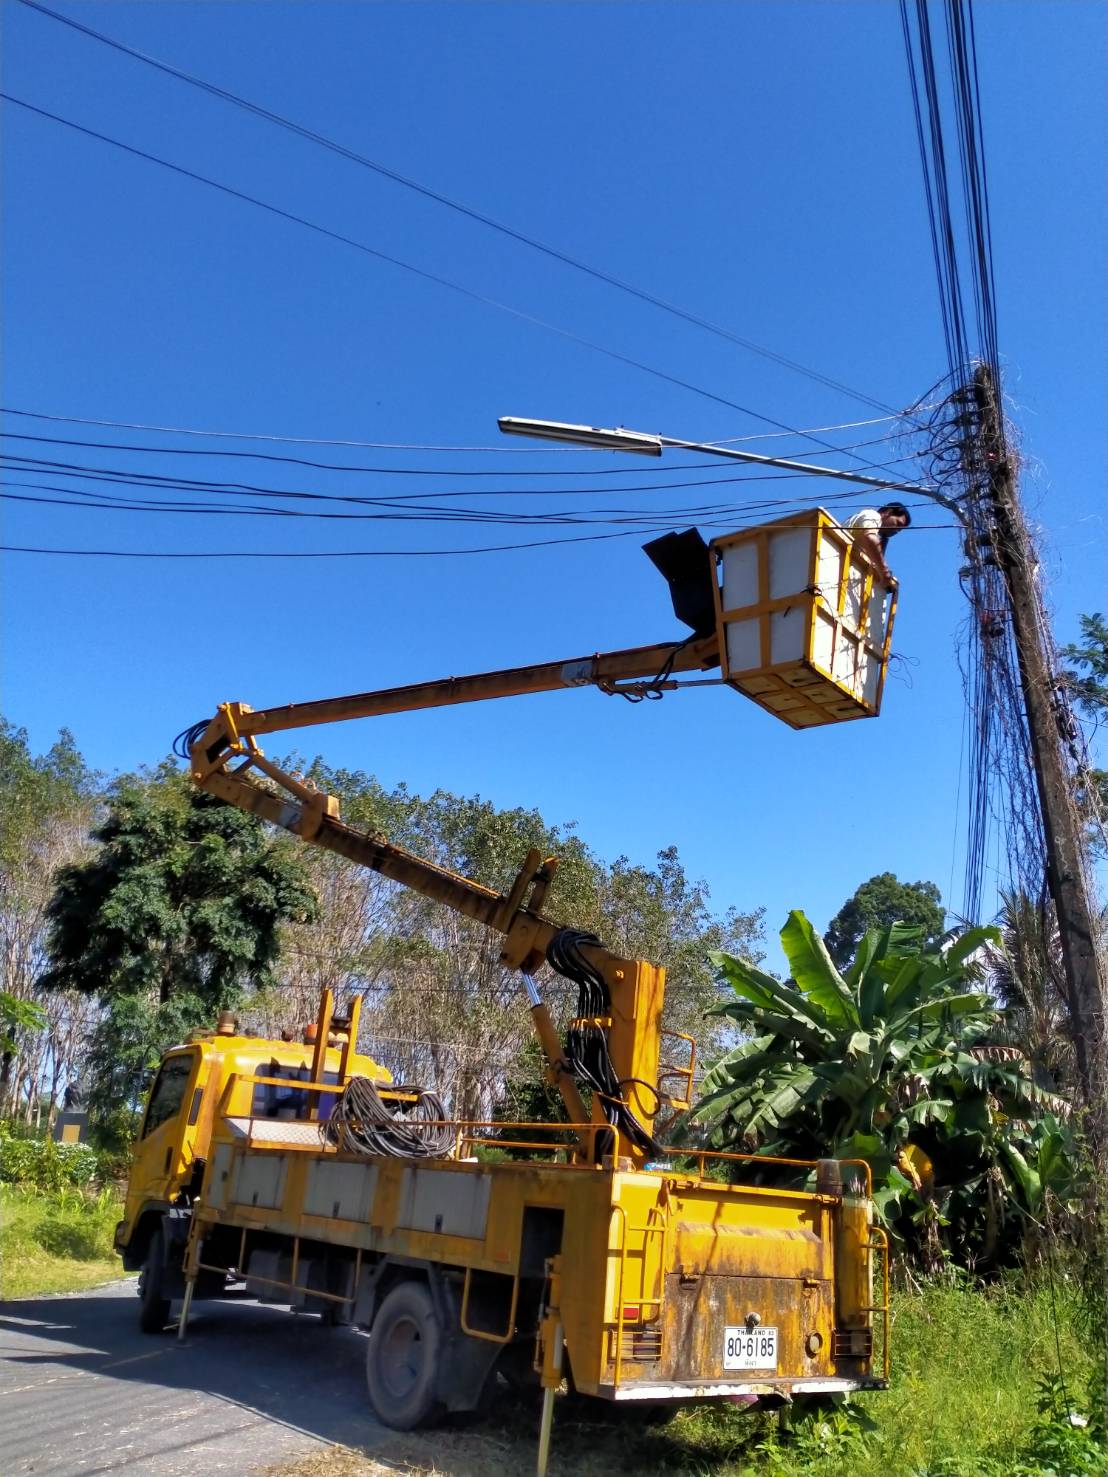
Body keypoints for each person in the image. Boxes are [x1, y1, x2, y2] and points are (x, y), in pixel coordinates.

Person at [845, 502, 911, 582]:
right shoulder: (873, 515)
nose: (896, 531)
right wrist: (884, 571)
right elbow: (870, 537)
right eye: (897, 523)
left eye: (899, 530)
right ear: (888, 512)